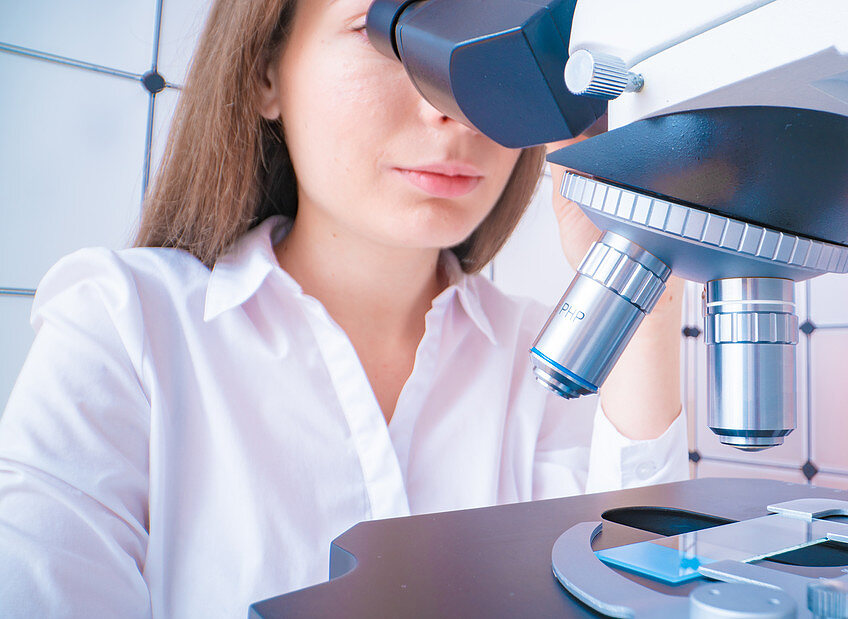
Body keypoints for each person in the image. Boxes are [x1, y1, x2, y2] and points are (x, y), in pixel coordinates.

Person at [0, 0, 687, 616]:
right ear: (266, 70)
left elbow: (645, 594)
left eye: (486, 42)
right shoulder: (123, 327)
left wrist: (644, 266)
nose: (450, 108)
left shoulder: (553, 362)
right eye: (391, 33)